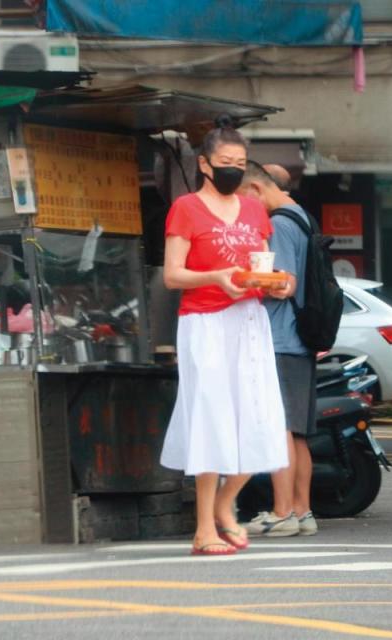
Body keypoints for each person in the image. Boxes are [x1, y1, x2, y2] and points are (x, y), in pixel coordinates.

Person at [159, 119, 289, 556]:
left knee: (258, 415)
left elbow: (264, 267)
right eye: (224, 163)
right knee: (212, 419)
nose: (233, 170)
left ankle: (225, 505)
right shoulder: (187, 209)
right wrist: (216, 275)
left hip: (249, 319)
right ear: (204, 164)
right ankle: (203, 529)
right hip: (205, 322)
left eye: (239, 163)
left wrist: (278, 285)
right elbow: (172, 276)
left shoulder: (254, 210)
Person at [238, 162, 317, 537]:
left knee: (280, 426)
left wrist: (244, 277)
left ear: (255, 189)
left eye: (242, 199)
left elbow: (283, 282)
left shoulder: (281, 224)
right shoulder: (302, 217)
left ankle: (282, 511)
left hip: (281, 337)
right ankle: (301, 511)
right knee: (296, 432)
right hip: (298, 340)